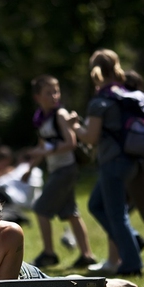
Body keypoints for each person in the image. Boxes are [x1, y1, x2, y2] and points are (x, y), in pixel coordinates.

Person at [0, 185, 141, 287]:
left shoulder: (9, 235)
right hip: (0, 277)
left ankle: (103, 283)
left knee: (61, 286)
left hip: (21, 276)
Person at [70, 49, 143, 276]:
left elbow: (90, 137)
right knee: (96, 205)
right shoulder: (125, 94)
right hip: (131, 160)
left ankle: (132, 264)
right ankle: (131, 240)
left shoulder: (101, 100)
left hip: (113, 162)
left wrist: (73, 125)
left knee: (116, 214)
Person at [24, 75, 96, 269]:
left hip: (66, 169)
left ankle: (49, 254)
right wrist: (30, 168)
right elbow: (42, 146)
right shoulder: (40, 118)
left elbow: (71, 143)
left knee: (40, 209)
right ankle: (87, 256)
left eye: (56, 91)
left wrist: (47, 151)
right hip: (57, 168)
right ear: (37, 97)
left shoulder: (60, 114)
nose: (54, 96)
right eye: (48, 92)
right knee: (70, 213)